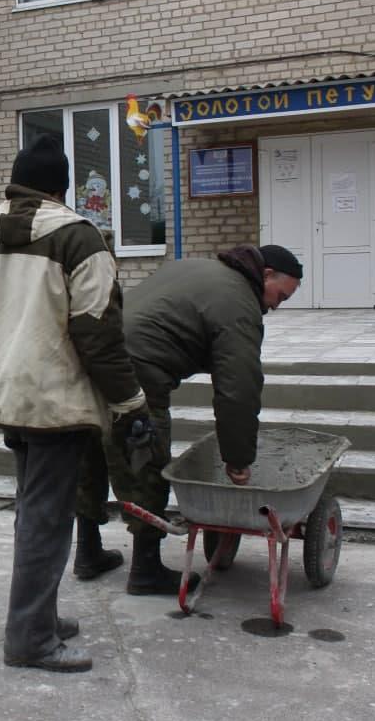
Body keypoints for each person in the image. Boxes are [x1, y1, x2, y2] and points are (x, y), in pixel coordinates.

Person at [0, 135, 152, 673]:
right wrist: (130, 404)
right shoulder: (80, 239)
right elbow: (99, 335)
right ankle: (31, 639)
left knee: (34, 511)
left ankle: (39, 618)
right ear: (62, 188)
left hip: (6, 396)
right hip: (56, 403)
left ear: (14, 183)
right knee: (47, 519)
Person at [104, 243, 302, 595]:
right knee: (146, 460)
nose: (276, 305)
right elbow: (238, 390)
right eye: (280, 296)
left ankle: (88, 552)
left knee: (92, 451)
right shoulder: (239, 304)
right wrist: (238, 459)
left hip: (99, 356)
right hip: (138, 370)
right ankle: (145, 571)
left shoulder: (198, 268)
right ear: (266, 274)